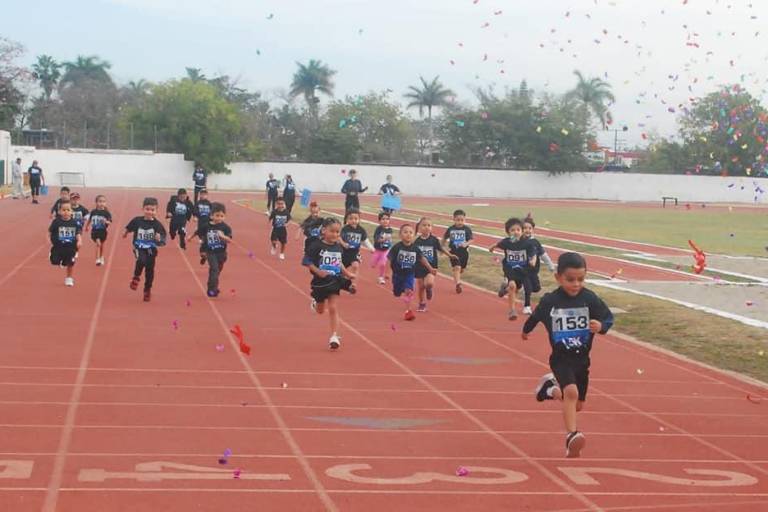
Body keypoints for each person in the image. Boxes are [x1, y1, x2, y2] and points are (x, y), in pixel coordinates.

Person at [522, 252, 614, 458]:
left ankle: (549, 389)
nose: (576, 284)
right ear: (558, 277)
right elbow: (536, 316)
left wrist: (601, 326)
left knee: (576, 404)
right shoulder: (551, 300)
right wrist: (526, 330)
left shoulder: (589, 299)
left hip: (582, 360)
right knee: (571, 393)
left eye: (581, 279)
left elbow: (608, 317)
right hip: (561, 358)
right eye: (570, 279)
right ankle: (572, 435)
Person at [307, 217, 357, 350]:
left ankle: (334, 336)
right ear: (324, 230)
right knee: (320, 310)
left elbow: (338, 263)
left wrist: (347, 274)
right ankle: (316, 302)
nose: (335, 234)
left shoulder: (338, 247)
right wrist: (318, 271)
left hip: (334, 281)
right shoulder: (316, 246)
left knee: (333, 308)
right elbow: (307, 262)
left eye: (337, 232)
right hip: (320, 282)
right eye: (332, 231)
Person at [489, 218, 537, 321]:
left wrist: (533, 261)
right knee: (512, 286)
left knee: (516, 288)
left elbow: (533, 254)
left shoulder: (527, 243)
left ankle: (504, 290)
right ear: (508, 232)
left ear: (522, 231)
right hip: (509, 267)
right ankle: (512, 310)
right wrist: (492, 247)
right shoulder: (506, 242)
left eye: (518, 230)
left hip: (522, 269)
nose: (516, 232)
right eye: (512, 230)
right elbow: (497, 244)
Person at [388, 224, 436, 321]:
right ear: (400, 235)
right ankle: (398, 290)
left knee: (408, 291)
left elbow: (422, 259)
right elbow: (389, 259)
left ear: (414, 235)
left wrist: (430, 268)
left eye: (411, 232)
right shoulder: (397, 247)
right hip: (397, 274)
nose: (408, 234)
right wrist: (387, 272)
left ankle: (408, 311)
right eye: (405, 232)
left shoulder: (415, 249)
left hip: (409, 274)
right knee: (397, 293)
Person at [124, 197, 167, 302]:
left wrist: (159, 239)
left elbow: (163, 239)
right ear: (143, 209)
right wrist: (125, 233)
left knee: (149, 271)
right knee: (141, 260)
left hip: (151, 249)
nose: (150, 212)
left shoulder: (157, 225)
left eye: (152, 210)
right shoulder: (137, 220)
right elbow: (129, 227)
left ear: (156, 211)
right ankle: (136, 277)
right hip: (138, 247)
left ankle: (147, 289)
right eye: (147, 209)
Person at [414, 217, 458, 312]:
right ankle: (422, 303)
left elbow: (441, 248)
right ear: (419, 228)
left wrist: (450, 255)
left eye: (429, 225)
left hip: (432, 267)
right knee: (421, 287)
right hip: (419, 267)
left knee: (429, 283)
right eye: (424, 225)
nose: (427, 227)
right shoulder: (417, 242)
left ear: (432, 228)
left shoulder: (434, 240)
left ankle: (429, 289)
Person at [189, 202, 233, 297]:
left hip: (221, 253)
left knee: (217, 271)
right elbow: (198, 231)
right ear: (211, 216)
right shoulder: (206, 226)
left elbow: (229, 240)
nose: (219, 218)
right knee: (214, 269)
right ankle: (212, 290)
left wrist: (222, 236)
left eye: (222, 216)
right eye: (217, 215)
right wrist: (190, 237)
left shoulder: (226, 228)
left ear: (224, 216)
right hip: (211, 252)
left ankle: (213, 287)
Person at [521, 217, 556, 314]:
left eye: (530, 228)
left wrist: (550, 265)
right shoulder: (518, 241)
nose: (527, 230)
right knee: (528, 288)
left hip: (533, 271)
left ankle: (515, 287)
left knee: (536, 288)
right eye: (525, 228)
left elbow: (543, 254)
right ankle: (527, 306)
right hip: (522, 270)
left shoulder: (535, 242)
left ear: (533, 229)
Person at [48, 199, 81, 287]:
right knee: (54, 261)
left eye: (68, 210)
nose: (66, 212)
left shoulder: (74, 222)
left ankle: (69, 278)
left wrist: (79, 241)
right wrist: (48, 239)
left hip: (70, 247)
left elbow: (78, 233)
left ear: (71, 211)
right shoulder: (56, 222)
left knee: (70, 263)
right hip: (58, 246)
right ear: (59, 211)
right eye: (63, 210)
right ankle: (54, 256)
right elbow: (50, 231)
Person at [443, 209, 473, 294]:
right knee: (457, 268)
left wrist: (466, 244)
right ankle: (458, 284)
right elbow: (444, 238)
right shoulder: (451, 229)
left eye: (462, 220)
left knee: (461, 269)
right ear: (454, 219)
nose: (460, 222)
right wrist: (442, 248)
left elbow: (471, 240)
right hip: (453, 252)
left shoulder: (467, 229)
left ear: (465, 220)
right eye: (458, 220)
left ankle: (457, 277)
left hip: (464, 253)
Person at [340, 208, 374, 278]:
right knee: (341, 270)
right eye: (351, 219)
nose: (353, 221)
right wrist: (343, 243)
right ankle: (343, 277)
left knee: (355, 265)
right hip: (344, 252)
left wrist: (371, 248)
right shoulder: (345, 229)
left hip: (354, 252)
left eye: (356, 219)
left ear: (359, 219)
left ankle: (353, 280)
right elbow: (339, 238)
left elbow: (365, 239)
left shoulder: (361, 230)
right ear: (347, 219)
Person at [84, 194, 112, 266]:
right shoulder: (93, 212)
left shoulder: (106, 213)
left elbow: (110, 222)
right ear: (96, 202)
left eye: (103, 201)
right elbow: (90, 219)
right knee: (98, 243)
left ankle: (101, 256)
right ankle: (97, 259)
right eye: (100, 201)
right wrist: (87, 226)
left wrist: (106, 221)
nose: (102, 203)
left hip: (103, 231)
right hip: (95, 231)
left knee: (102, 245)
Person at [298, 201, 324, 266]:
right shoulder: (308, 220)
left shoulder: (322, 220)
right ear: (311, 212)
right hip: (309, 238)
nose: (315, 214)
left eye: (317, 212)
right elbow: (302, 226)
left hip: (318, 239)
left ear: (320, 212)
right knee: (308, 252)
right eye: (313, 213)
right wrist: (298, 234)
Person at [371, 211, 393, 284]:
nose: (385, 221)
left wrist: (390, 244)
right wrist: (383, 239)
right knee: (373, 264)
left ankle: (381, 277)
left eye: (387, 219)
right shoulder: (378, 229)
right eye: (383, 219)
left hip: (385, 251)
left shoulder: (390, 229)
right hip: (377, 250)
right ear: (379, 221)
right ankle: (374, 262)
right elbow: (376, 239)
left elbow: (390, 239)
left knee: (383, 264)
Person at [193, 188, 212, 265]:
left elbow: (212, 212)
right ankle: (204, 253)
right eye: (202, 194)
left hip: (207, 222)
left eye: (205, 195)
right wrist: (195, 216)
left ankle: (204, 253)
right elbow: (195, 210)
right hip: (201, 221)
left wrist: (212, 219)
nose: (203, 196)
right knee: (201, 234)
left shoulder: (209, 203)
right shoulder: (198, 203)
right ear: (199, 195)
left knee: (206, 237)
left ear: (207, 195)